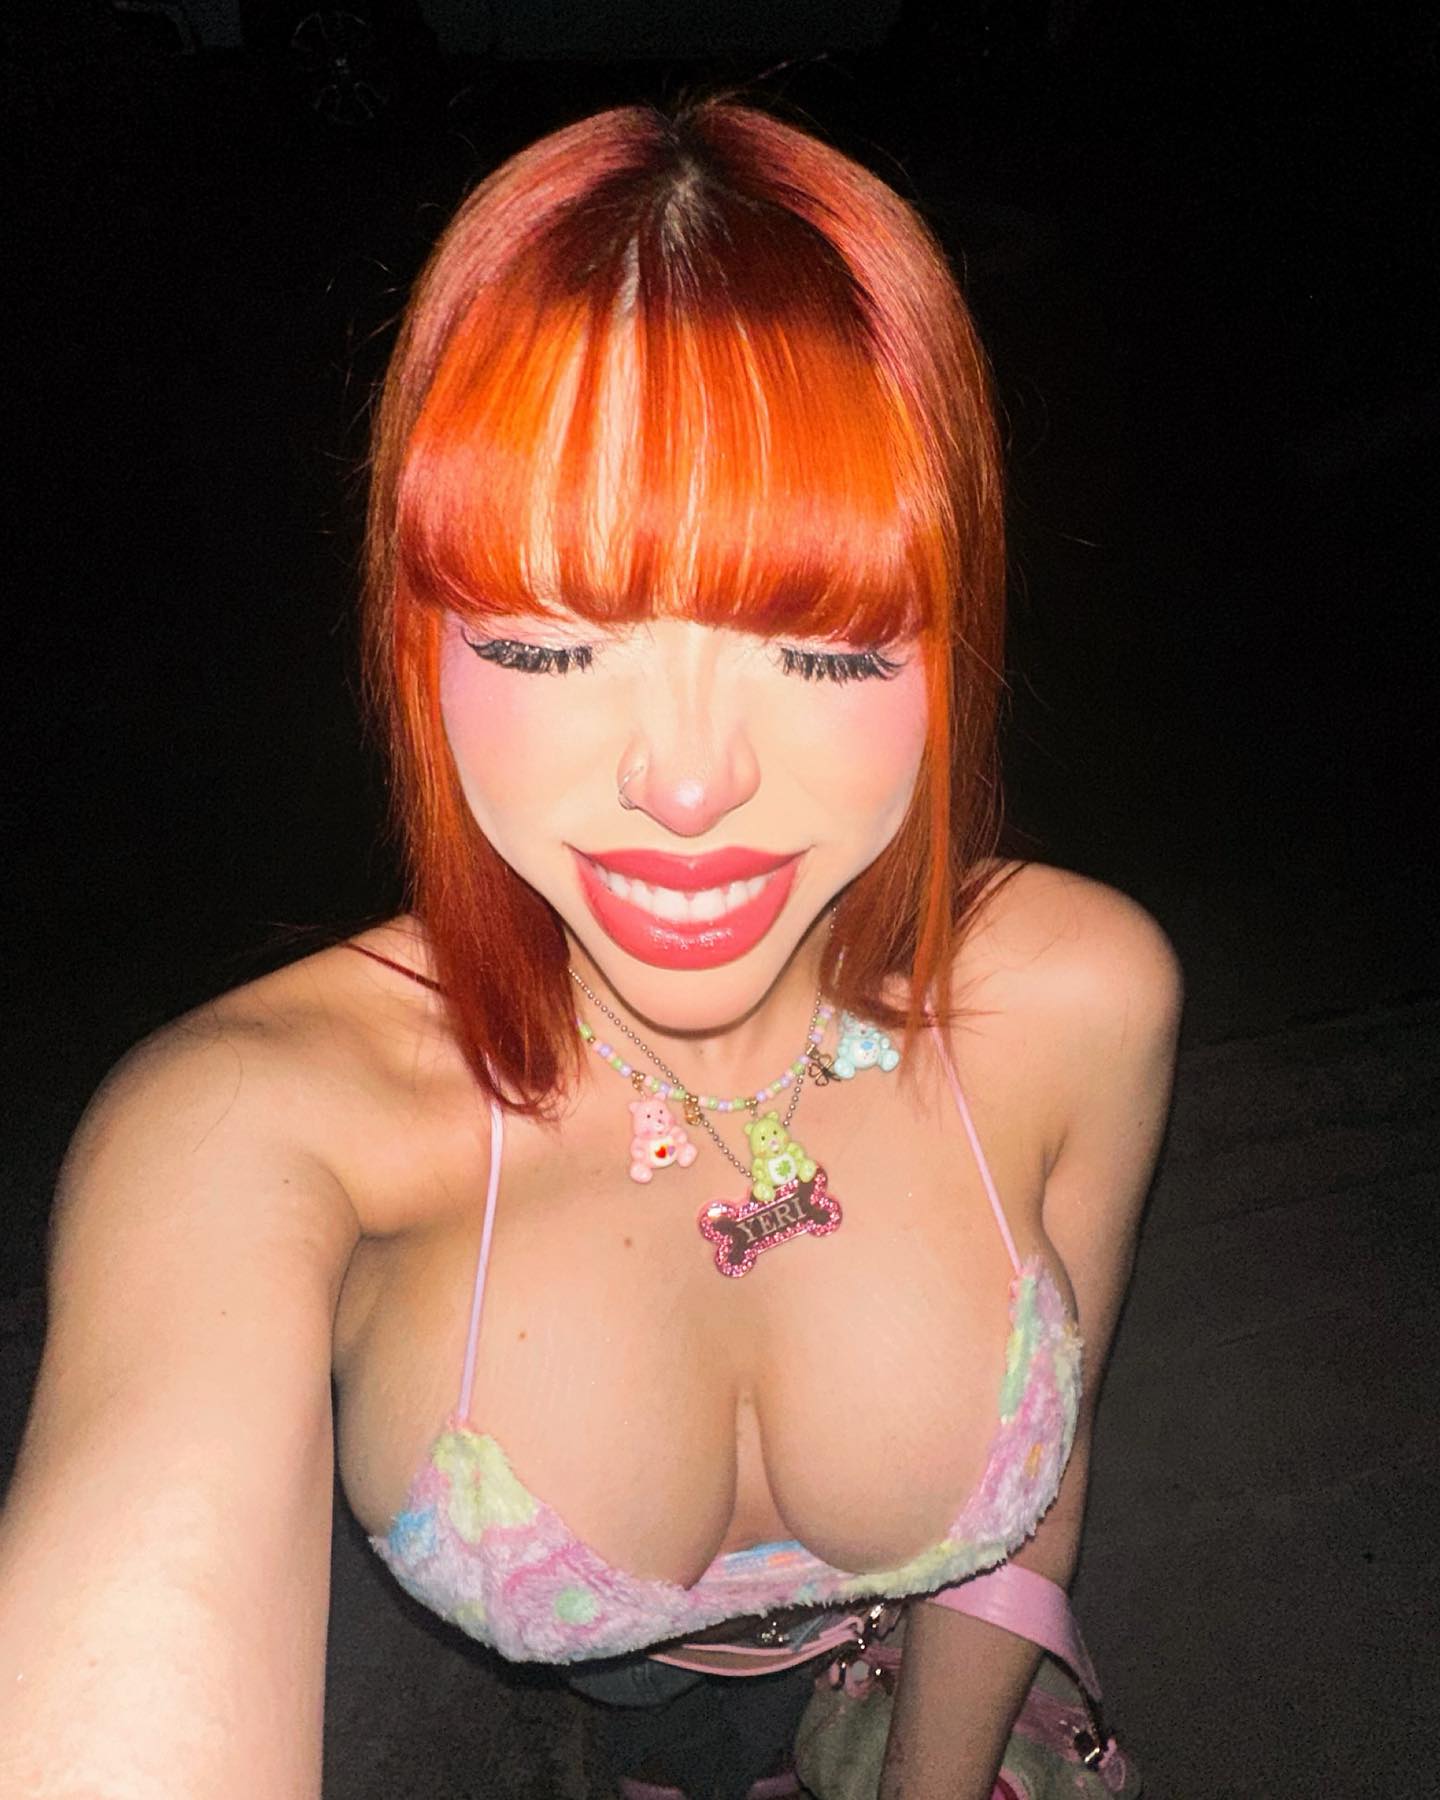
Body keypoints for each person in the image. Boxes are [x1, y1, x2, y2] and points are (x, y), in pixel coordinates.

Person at [0, 100, 1181, 1800]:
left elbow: (1044, 1501)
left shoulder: (1080, 995)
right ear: (421, 646)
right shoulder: (256, 1128)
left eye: (825, 649)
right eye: (550, 646)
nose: (687, 787)